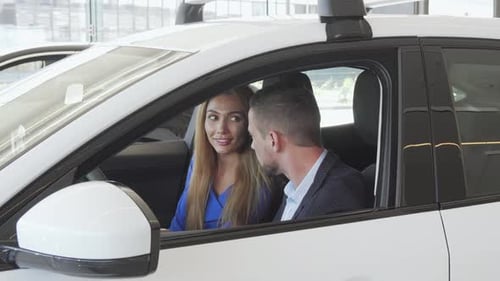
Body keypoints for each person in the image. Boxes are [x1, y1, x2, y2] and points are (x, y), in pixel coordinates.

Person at [248, 85, 369, 221]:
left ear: (273, 140)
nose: (252, 146)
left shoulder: (335, 199)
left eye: (253, 136)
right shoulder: (295, 189)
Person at [169, 86, 272, 231]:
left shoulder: (260, 181)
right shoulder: (198, 163)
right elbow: (179, 224)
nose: (221, 129)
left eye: (234, 118)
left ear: (250, 124)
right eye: (213, 117)